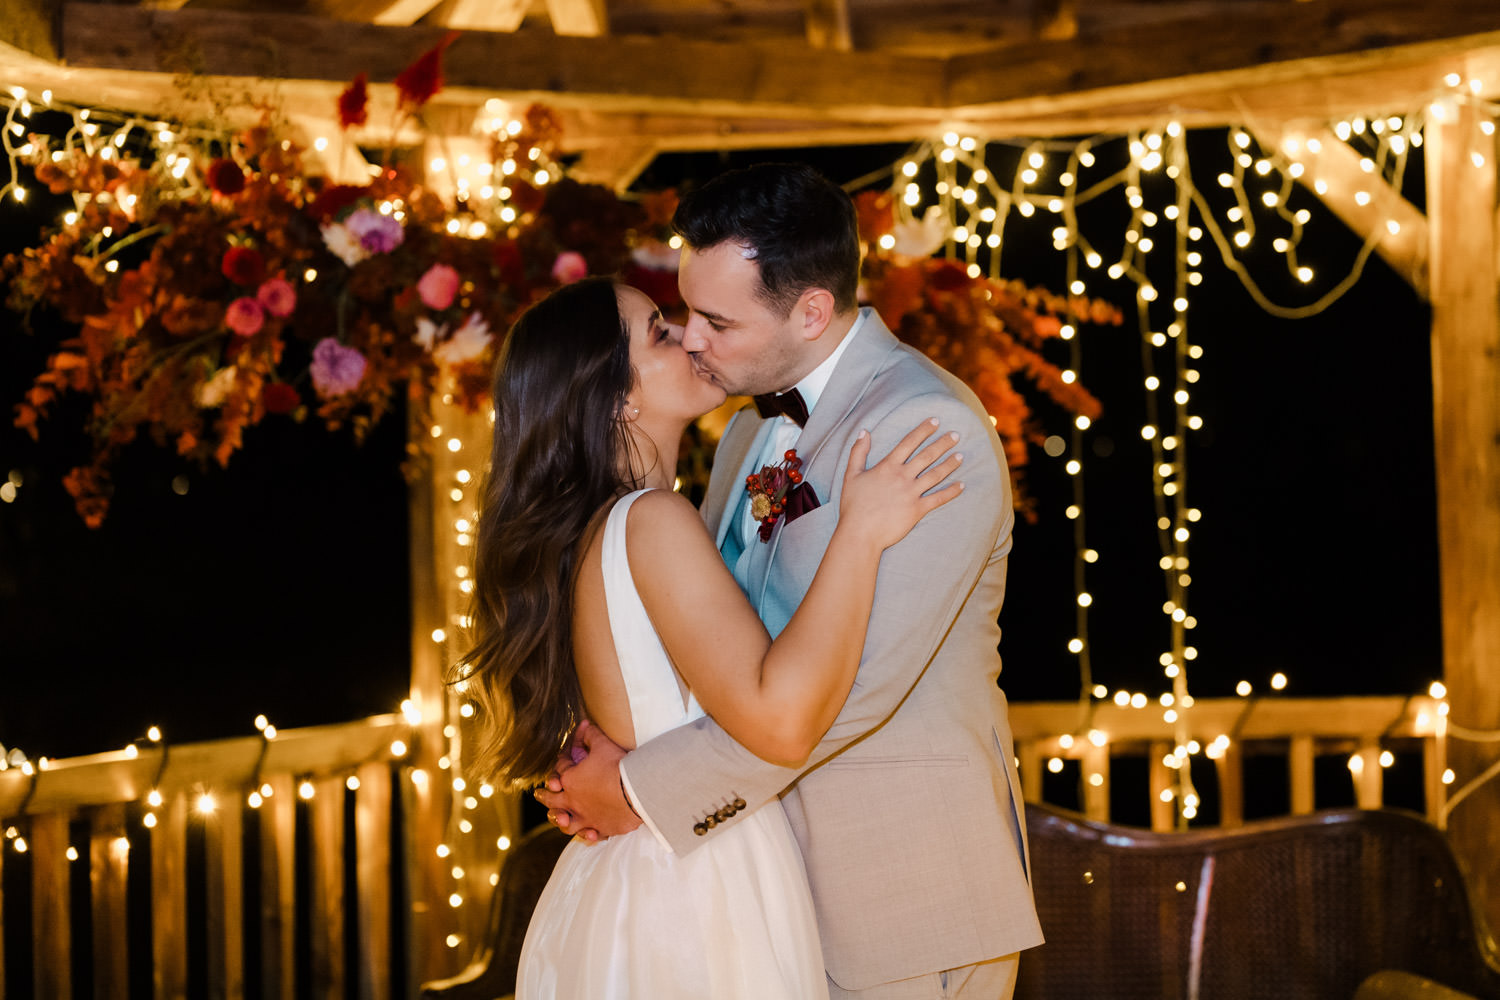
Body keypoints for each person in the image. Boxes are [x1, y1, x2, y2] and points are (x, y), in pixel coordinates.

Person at [537, 163, 1044, 999]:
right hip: (767, 894)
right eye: (685, 313)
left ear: (811, 310)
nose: (694, 339)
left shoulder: (923, 426)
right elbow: (717, 649)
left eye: (715, 320)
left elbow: (851, 694)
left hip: (901, 897)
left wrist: (640, 790)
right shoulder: (743, 435)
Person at [465, 275, 964, 998]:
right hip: (696, 892)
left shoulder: (601, 529)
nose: (690, 338)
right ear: (617, 399)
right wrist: (859, 533)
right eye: (659, 335)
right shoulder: (650, 522)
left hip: (636, 878)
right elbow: (777, 719)